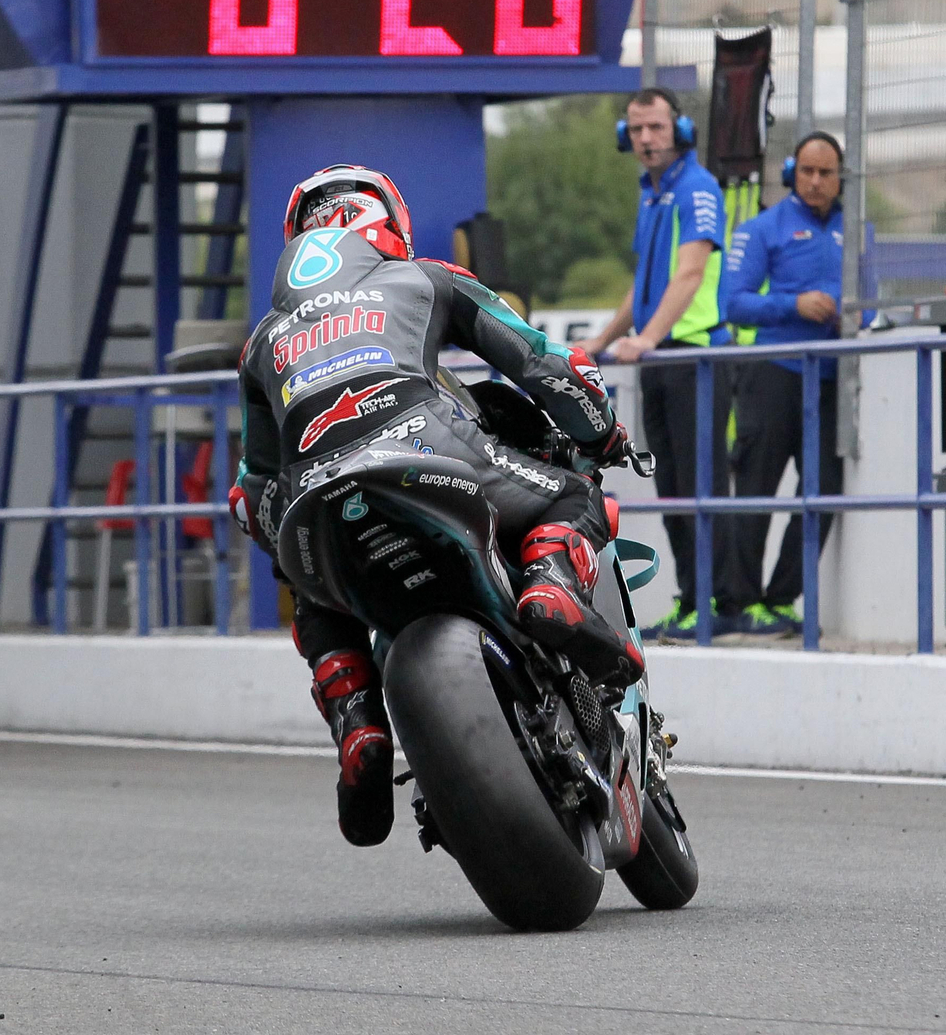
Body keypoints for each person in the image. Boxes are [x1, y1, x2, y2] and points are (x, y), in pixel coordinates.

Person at [230, 164, 640, 847]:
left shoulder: (262, 343)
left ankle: (356, 718)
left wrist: (288, 543)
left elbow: (251, 493)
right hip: (430, 451)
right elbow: (545, 365)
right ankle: (550, 586)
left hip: (315, 496)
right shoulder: (424, 277)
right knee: (571, 493)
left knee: (306, 577)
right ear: (387, 225)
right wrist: (602, 429)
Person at [580, 87, 735, 641]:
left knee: (701, 485)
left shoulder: (697, 189)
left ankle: (713, 600)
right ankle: (694, 600)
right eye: (637, 129)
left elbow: (690, 275)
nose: (646, 139)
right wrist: (600, 341)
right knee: (672, 484)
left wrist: (645, 338)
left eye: (657, 128)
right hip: (661, 358)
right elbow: (642, 287)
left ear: (681, 130)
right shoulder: (652, 195)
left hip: (693, 356)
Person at [717, 132, 864, 636]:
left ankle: (781, 600)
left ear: (841, 175)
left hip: (829, 378)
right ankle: (739, 603)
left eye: (827, 172)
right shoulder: (763, 228)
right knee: (756, 489)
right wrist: (793, 305)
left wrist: (855, 316)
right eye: (808, 171)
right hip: (772, 374)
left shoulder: (854, 230)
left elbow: (873, 296)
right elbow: (733, 303)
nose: (817, 181)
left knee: (823, 492)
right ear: (791, 173)